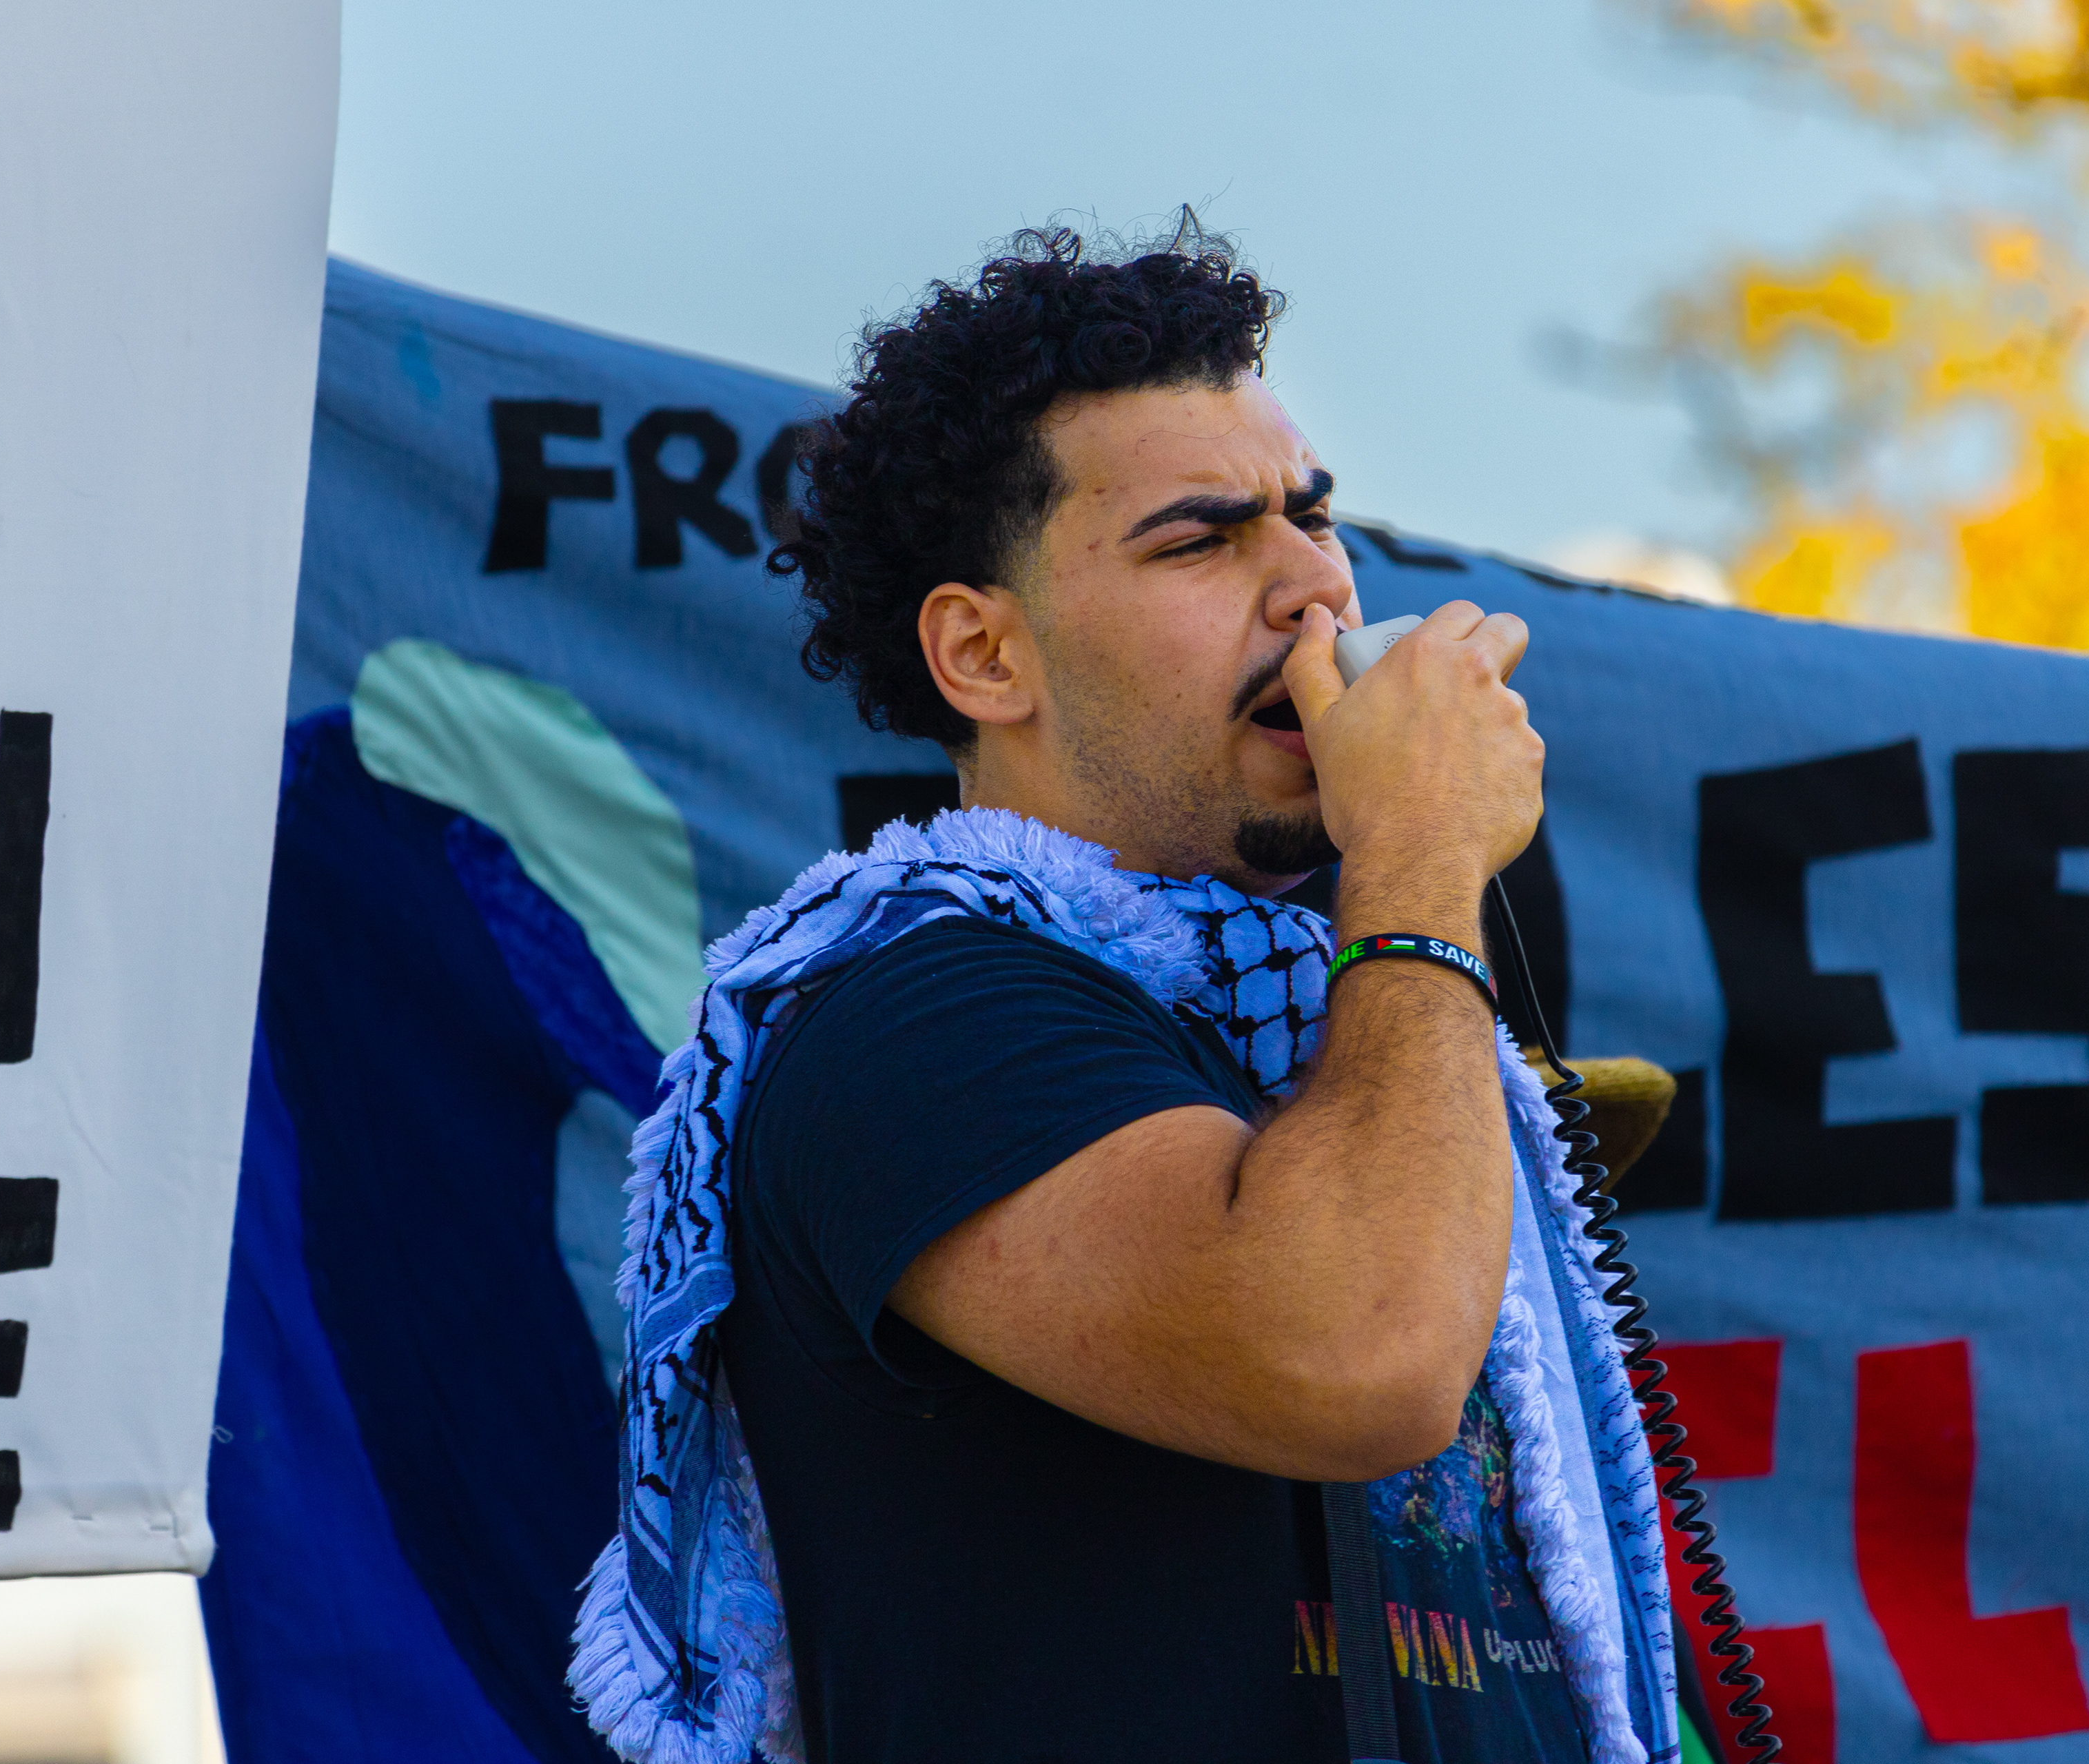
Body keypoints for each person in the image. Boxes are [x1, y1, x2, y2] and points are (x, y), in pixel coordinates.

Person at [571, 227, 1676, 1764]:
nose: (1314, 592)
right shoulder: (906, 1007)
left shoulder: (1348, 1028)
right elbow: (1355, 1346)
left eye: (1312, 515)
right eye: (1200, 540)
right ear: (982, 651)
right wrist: (1418, 847)